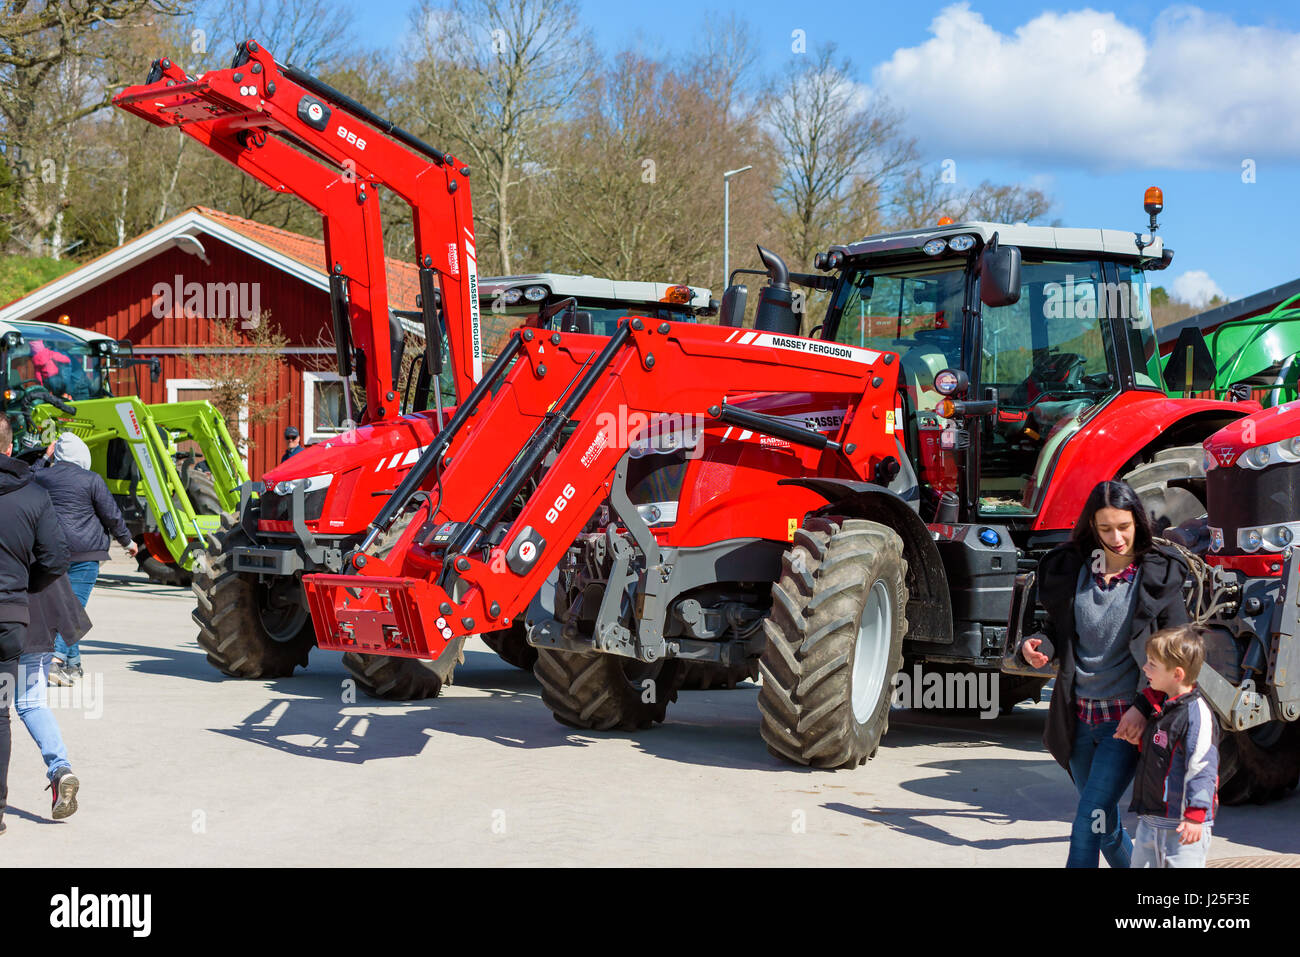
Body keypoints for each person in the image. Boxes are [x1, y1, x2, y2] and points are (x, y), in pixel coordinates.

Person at [1019, 479, 1190, 867]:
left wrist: (1144, 708)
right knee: (1104, 826)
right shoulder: (1073, 570)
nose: (1116, 538)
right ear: (1092, 526)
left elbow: (1180, 655)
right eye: (1106, 528)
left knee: (1086, 819)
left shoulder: (1157, 576)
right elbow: (1053, 633)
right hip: (1077, 719)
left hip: (1126, 721)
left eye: (1124, 527)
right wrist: (1037, 647)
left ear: (1138, 523)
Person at [0, 415, 70, 835]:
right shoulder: (33, 495)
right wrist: (24, 588)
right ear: (9, 448)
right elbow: (57, 559)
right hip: (10, 617)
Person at [33, 432, 137, 685]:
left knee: (66, 609)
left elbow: (24, 477)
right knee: (72, 609)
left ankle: (73, 663)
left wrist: (45, 458)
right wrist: (127, 541)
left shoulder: (42, 477)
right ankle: (55, 660)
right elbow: (111, 514)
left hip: (51, 554)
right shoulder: (92, 480)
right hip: (86, 554)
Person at [1129, 625, 1218, 867]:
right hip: (1151, 820)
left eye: (1152, 664)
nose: (1145, 668)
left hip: (1183, 826)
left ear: (1177, 674)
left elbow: (1203, 767)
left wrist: (1196, 815)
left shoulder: (1195, 714)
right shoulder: (1164, 706)